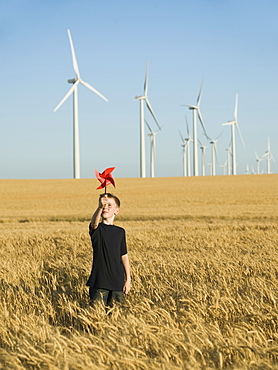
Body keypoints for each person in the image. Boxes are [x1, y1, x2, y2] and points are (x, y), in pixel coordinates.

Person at [86, 193, 131, 307]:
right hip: (99, 281)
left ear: (117, 210)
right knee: (96, 316)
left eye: (109, 205)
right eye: (103, 205)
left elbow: (124, 255)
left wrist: (128, 279)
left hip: (117, 282)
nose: (105, 207)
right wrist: (100, 207)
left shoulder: (120, 232)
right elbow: (94, 223)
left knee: (115, 316)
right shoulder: (97, 229)